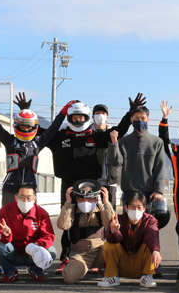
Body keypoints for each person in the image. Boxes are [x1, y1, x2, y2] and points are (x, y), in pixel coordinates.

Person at [0, 90, 67, 276]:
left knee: (31, 228)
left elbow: (53, 128)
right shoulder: (9, 140)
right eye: (22, 125)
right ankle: (0, 262)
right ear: (16, 125)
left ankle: (34, 260)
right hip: (11, 189)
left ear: (35, 127)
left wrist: (63, 111)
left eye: (29, 126)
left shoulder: (38, 142)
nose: (25, 129)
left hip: (30, 192)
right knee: (5, 226)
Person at [48, 95, 136, 274]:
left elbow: (118, 131)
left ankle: (97, 256)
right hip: (69, 185)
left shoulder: (96, 136)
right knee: (68, 220)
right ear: (69, 118)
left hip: (91, 184)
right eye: (74, 117)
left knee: (95, 220)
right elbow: (45, 133)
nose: (78, 120)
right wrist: (61, 113)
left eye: (81, 117)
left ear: (87, 118)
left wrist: (130, 113)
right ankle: (66, 256)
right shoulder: (60, 136)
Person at [0, 184, 57, 283]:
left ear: (34, 199)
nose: (25, 201)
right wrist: (6, 235)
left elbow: (48, 236)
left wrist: (36, 246)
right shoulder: (5, 211)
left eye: (29, 197)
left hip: (33, 253)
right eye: (22, 197)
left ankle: (36, 271)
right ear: (16, 197)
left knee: (51, 250)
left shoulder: (42, 213)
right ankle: (10, 273)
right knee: (1, 247)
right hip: (14, 253)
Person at [98, 192, 162, 288]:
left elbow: (152, 236)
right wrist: (114, 232)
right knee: (108, 244)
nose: (136, 210)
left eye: (139, 207)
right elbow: (111, 239)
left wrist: (155, 250)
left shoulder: (150, 220)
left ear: (144, 208)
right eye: (132, 207)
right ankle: (112, 277)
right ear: (126, 207)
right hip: (122, 263)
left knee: (150, 245)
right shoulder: (118, 219)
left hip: (140, 264)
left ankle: (147, 276)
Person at [57, 180, 114, 284]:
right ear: (77, 199)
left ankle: (107, 267)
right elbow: (63, 225)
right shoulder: (72, 209)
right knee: (69, 277)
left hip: (100, 251)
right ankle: (82, 268)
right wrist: (68, 203)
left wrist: (106, 203)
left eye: (89, 200)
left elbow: (109, 225)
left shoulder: (100, 208)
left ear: (96, 200)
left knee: (114, 246)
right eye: (82, 200)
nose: (86, 202)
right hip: (81, 254)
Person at [107, 106, 166, 205]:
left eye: (143, 118)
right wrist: (113, 143)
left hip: (150, 193)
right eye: (136, 118)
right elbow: (115, 162)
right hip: (129, 192)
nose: (140, 120)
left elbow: (160, 168)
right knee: (129, 216)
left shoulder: (157, 142)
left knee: (148, 216)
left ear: (148, 120)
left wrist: (158, 190)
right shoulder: (123, 141)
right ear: (131, 120)